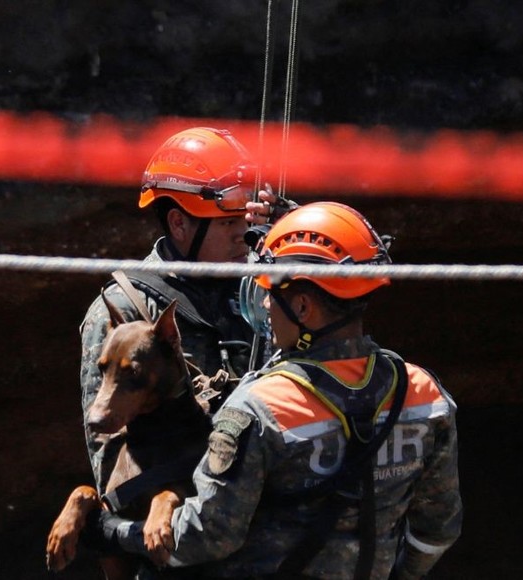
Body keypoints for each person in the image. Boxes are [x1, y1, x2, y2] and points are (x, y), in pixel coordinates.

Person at [90, 202, 463, 579]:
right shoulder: (422, 393)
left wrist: (115, 533)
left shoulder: (262, 406)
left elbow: (206, 538)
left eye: (272, 293)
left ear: (302, 306)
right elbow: (437, 529)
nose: (265, 304)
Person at [80, 126, 290, 497]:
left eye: (246, 221)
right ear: (179, 223)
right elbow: (111, 463)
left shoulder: (263, 287)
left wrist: (293, 229)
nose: (244, 235)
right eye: (228, 223)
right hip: (179, 518)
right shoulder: (125, 312)